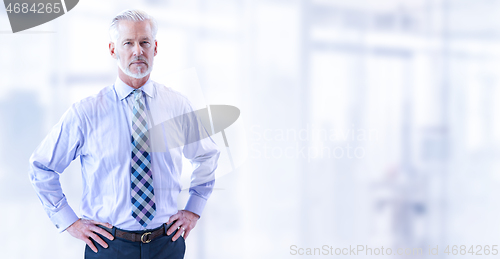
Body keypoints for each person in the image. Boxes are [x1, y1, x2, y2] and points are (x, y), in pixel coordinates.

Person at [29, 9, 220, 259]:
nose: (137, 51)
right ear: (113, 50)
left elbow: (207, 156)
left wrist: (194, 210)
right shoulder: (86, 113)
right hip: (108, 246)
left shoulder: (177, 105)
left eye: (144, 42)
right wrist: (69, 222)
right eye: (128, 43)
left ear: (155, 48)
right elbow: (42, 167)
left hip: (167, 245)